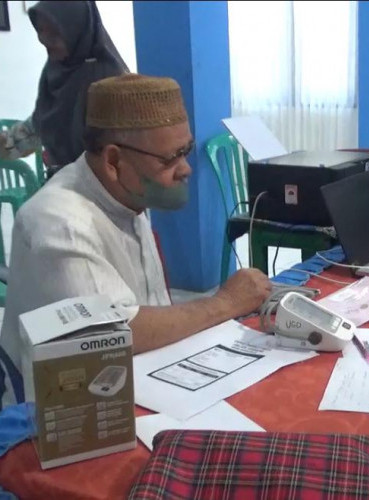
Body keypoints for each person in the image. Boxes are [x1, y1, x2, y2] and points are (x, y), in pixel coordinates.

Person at [0, 74, 272, 410]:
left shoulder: (124, 195)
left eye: (185, 151)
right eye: (170, 158)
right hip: (62, 415)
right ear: (113, 161)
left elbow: (150, 309)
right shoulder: (59, 221)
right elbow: (118, 334)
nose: (186, 169)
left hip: (139, 380)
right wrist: (226, 302)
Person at [0, 1, 127, 178]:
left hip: (105, 189)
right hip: (64, 184)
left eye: (54, 32)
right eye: (41, 30)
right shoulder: (57, 70)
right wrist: (8, 143)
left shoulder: (107, 79)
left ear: (75, 30)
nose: (44, 40)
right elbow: (40, 126)